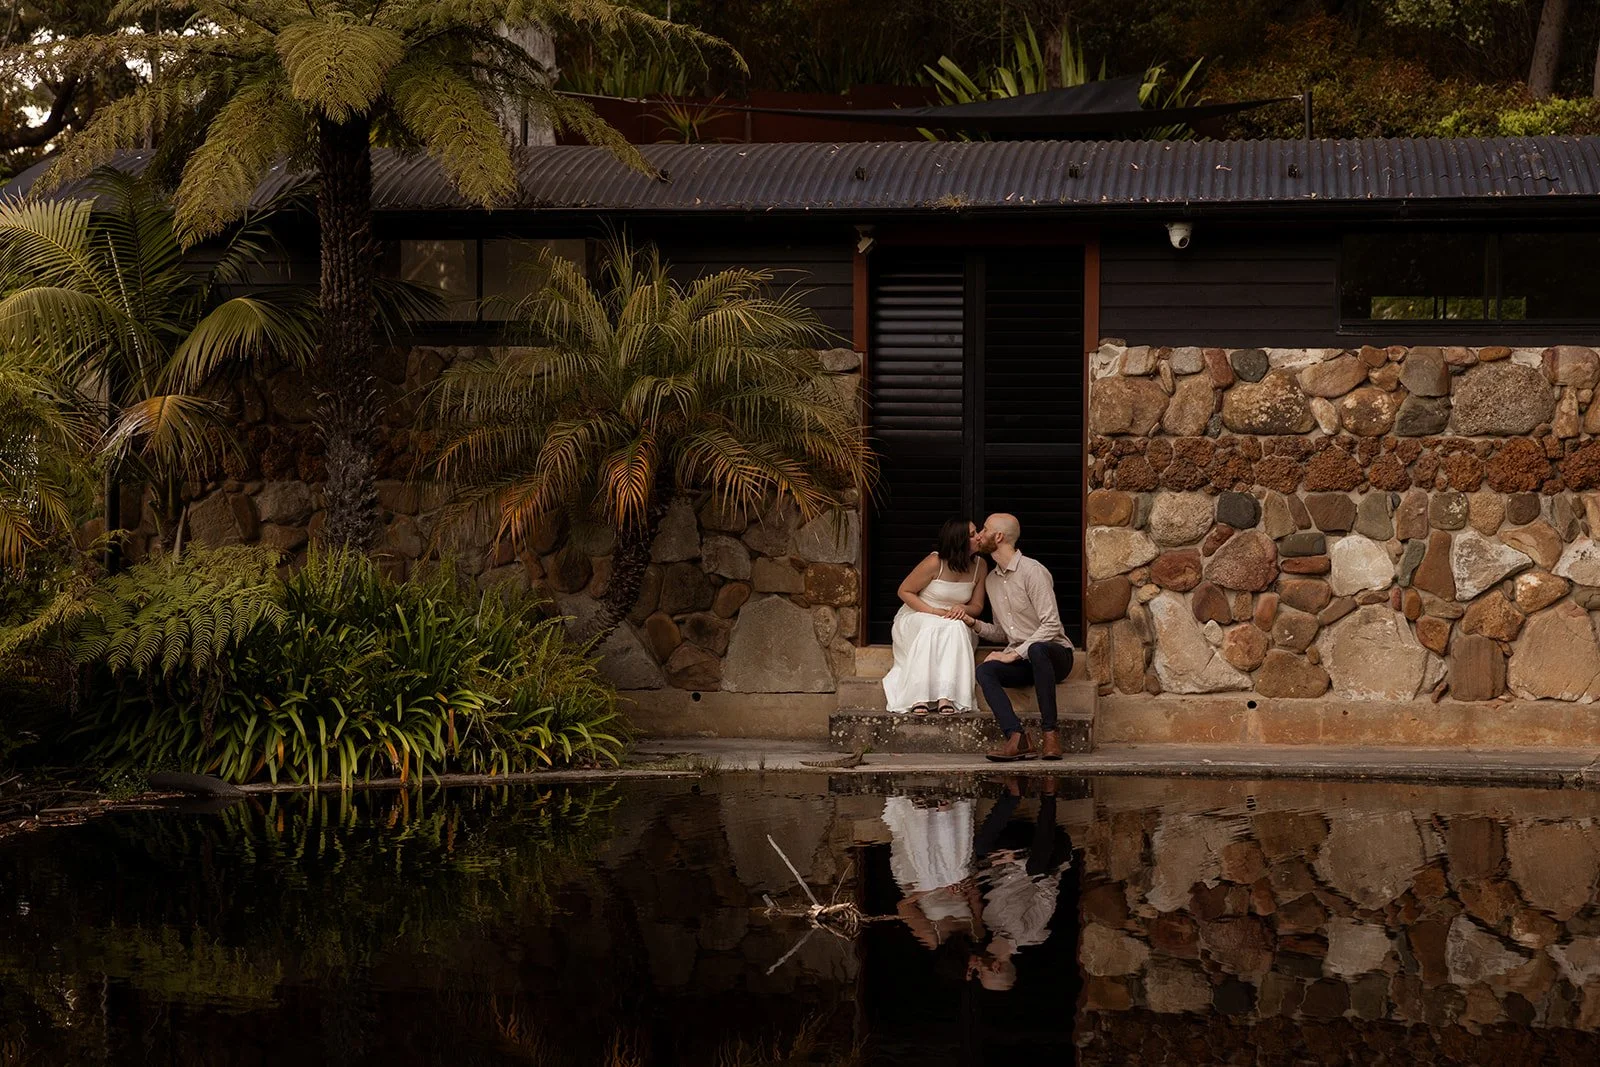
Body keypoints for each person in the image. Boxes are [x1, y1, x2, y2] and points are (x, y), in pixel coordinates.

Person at [951, 513, 1075, 762]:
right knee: (985, 671)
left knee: (1038, 649)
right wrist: (973, 623)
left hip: (1055, 655)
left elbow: (1051, 624)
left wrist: (1013, 654)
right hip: (1025, 660)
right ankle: (1018, 738)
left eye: (984, 529)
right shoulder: (992, 580)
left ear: (998, 537)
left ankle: (1050, 734)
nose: (979, 535)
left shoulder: (1032, 571)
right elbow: (1003, 632)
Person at [880, 518, 988, 716]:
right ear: (959, 541)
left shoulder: (980, 566)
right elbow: (904, 591)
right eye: (973, 535)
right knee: (933, 625)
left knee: (955, 626)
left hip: (952, 620)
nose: (979, 536)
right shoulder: (935, 562)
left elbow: (977, 606)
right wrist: (933, 611)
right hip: (918, 614)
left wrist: (963, 608)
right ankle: (918, 696)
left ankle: (947, 696)